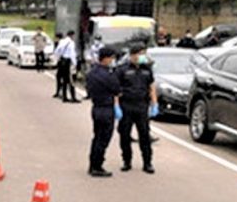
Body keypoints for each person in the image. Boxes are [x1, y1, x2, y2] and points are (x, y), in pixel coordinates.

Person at [116, 44, 159, 174]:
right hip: (126, 106)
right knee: (125, 135)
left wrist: (154, 104)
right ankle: (127, 161)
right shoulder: (122, 69)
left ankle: (147, 163)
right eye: (140, 54)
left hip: (142, 106)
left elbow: (151, 87)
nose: (142, 56)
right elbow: (116, 89)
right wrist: (116, 106)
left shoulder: (147, 70)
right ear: (132, 55)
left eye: (143, 54)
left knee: (144, 135)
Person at [86, 47, 121, 177]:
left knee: (97, 137)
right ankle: (97, 166)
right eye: (111, 58)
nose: (112, 60)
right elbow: (117, 89)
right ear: (106, 58)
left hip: (96, 107)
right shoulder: (108, 75)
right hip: (106, 108)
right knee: (103, 139)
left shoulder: (91, 73)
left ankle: (92, 164)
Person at [54, 30, 78, 103]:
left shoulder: (62, 41)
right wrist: (75, 63)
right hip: (68, 62)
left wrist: (58, 58)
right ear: (72, 35)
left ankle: (64, 97)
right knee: (71, 80)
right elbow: (72, 54)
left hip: (62, 61)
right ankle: (73, 97)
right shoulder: (71, 43)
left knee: (64, 80)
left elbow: (57, 51)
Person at [52, 32, 64, 98]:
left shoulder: (62, 44)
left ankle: (61, 92)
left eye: (56, 37)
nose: (55, 39)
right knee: (58, 77)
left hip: (63, 62)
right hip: (59, 62)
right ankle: (58, 92)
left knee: (61, 78)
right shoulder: (56, 44)